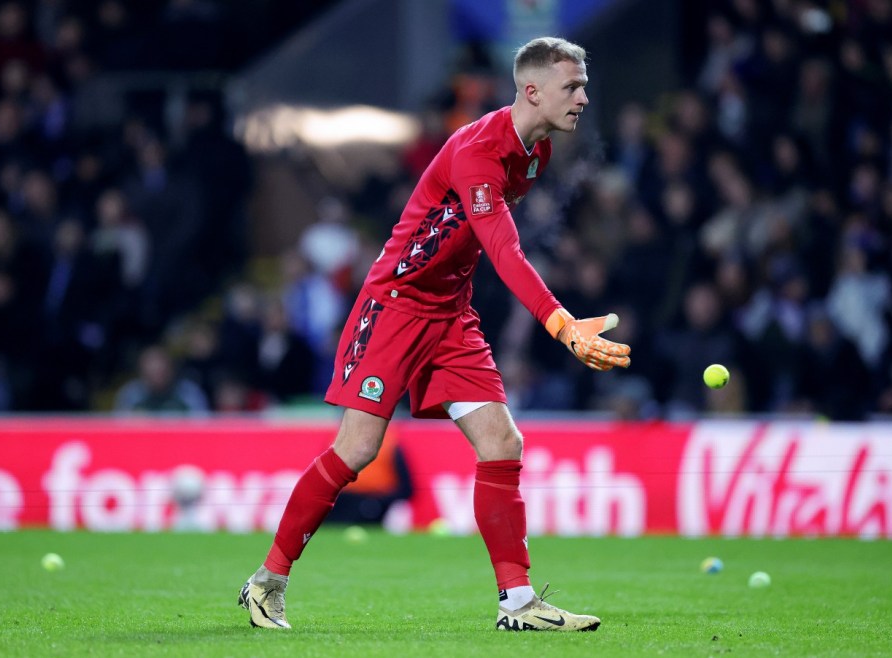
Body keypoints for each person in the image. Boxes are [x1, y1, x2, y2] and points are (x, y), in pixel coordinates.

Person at [238, 36, 630, 633]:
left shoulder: (536, 153)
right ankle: (267, 582)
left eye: (582, 85)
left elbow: (476, 244)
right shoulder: (478, 150)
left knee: (503, 443)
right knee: (358, 450)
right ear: (532, 91)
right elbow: (502, 247)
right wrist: (560, 322)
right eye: (572, 86)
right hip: (394, 307)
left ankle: (519, 605)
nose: (583, 96)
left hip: (450, 314)